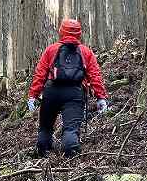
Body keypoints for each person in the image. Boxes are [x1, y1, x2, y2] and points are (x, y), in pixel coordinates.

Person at [27, 18, 108, 157]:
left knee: (45, 127)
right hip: (74, 94)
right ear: (79, 33)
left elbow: (40, 74)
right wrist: (101, 97)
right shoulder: (85, 52)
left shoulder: (51, 50)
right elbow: (95, 76)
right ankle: (71, 153)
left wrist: (32, 96)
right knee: (71, 129)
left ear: (61, 32)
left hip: (51, 92)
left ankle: (43, 150)